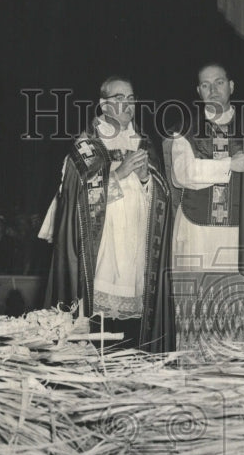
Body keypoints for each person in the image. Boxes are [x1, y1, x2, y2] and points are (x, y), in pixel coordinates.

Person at [41, 76, 175, 351]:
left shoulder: (144, 142)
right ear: (103, 105)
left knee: (132, 335)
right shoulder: (86, 146)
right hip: (101, 253)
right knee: (99, 332)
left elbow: (161, 196)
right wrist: (120, 173)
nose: (127, 104)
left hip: (136, 252)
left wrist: (146, 179)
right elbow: (77, 202)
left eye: (131, 98)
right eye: (119, 98)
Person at [167, 61, 244, 351]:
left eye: (219, 82)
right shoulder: (185, 128)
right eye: (206, 85)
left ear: (231, 87)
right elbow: (184, 175)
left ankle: (235, 369)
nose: (213, 90)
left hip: (238, 232)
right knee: (194, 305)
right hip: (196, 231)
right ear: (198, 91)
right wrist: (231, 164)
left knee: (235, 304)